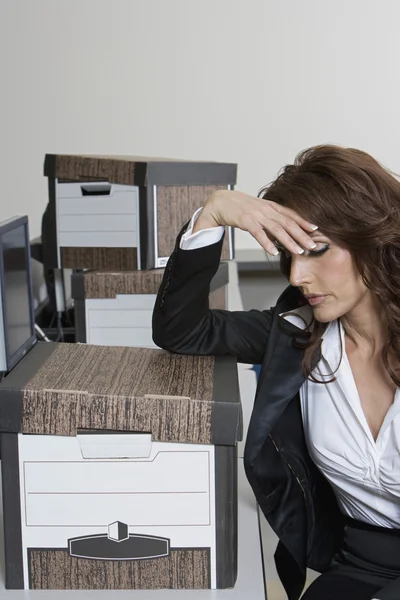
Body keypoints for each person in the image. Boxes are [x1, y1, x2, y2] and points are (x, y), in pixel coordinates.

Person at [152, 145, 400, 600]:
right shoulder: (295, 335)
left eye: (316, 250)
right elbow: (182, 330)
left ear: (371, 237)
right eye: (289, 255)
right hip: (358, 561)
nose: (299, 276)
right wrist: (213, 213)